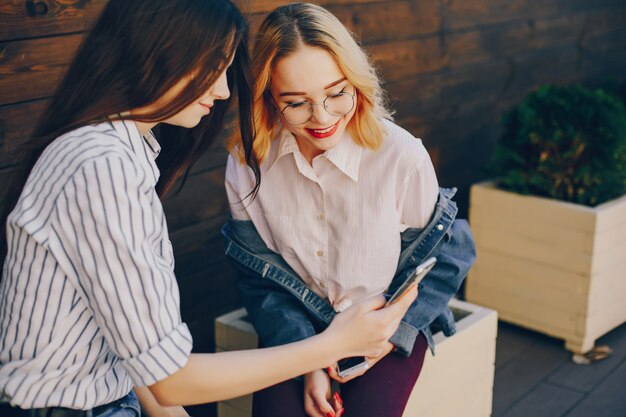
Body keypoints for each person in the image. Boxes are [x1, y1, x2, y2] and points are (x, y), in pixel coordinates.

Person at [0, 1, 418, 416]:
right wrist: (333, 345)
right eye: (214, 68)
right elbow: (169, 377)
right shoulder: (100, 167)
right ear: (162, 53)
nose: (222, 91)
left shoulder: (123, 154)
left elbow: (137, 359)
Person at [224, 3, 476, 417]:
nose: (321, 117)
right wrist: (308, 358)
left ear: (357, 82)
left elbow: (441, 258)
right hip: (295, 323)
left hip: (386, 323)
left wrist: (387, 336)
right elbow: (259, 279)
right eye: (296, 103)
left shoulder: (401, 155)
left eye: (337, 93)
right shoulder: (247, 163)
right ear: (269, 98)